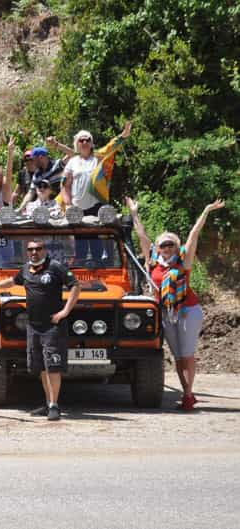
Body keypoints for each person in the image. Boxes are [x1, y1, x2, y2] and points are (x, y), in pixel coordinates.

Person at [126, 196, 225, 411]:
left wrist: (206, 211)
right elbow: (141, 236)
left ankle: (188, 395)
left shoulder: (182, 261)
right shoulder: (152, 261)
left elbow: (193, 235)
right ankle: (187, 393)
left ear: (176, 246)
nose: (167, 248)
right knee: (178, 355)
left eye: (171, 244)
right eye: (163, 245)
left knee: (187, 353)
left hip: (187, 309)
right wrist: (134, 213)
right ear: (158, 248)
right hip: (165, 312)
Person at [0, 238, 81, 421]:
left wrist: (65, 311)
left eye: (38, 249)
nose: (34, 252)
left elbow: (75, 286)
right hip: (33, 326)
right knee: (40, 366)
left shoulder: (55, 267)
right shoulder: (26, 269)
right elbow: (10, 282)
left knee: (53, 366)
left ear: (45, 250)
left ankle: (55, 405)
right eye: (31, 249)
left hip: (52, 327)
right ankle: (48, 403)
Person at [61, 121, 131, 215]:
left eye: (88, 140)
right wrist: (68, 205)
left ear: (91, 143)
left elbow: (110, 147)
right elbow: (65, 186)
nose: (85, 142)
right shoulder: (72, 162)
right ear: (77, 144)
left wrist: (123, 135)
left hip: (97, 207)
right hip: (76, 208)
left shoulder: (98, 158)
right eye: (81, 140)